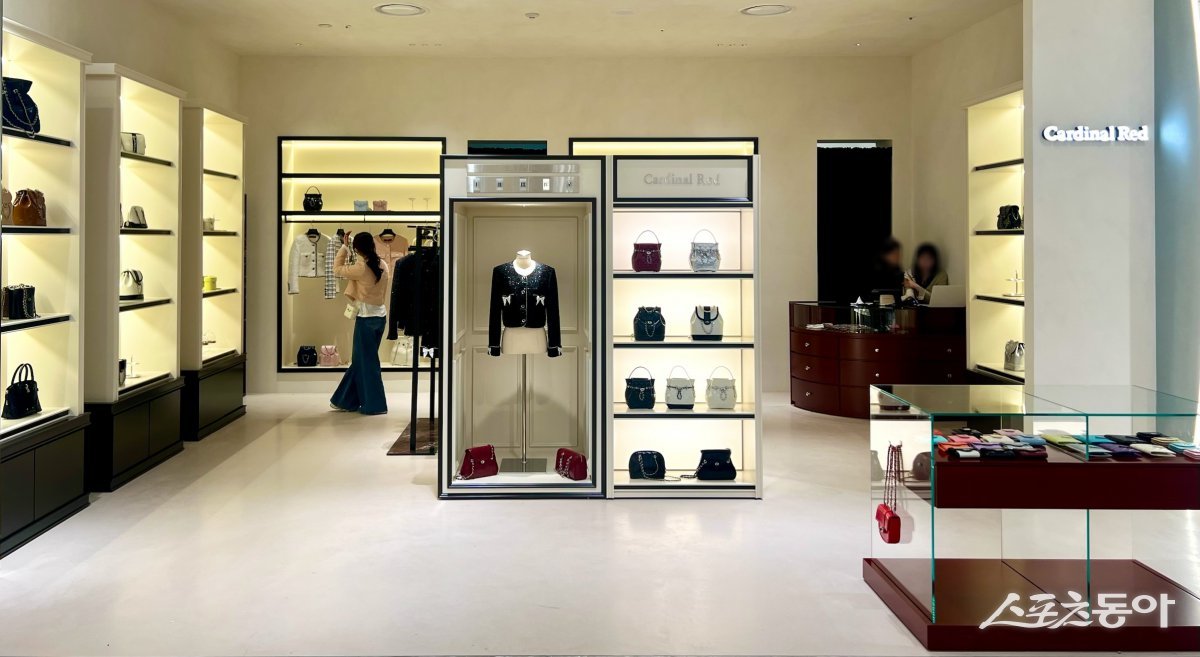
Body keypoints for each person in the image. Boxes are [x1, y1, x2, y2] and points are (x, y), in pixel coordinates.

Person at [330, 232, 390, 415]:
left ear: (357, 248)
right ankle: (344, 400)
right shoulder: (383, 264)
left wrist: (344, 247)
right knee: (361, 361)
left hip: (366, 319)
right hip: (380, 317)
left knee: (367, 363)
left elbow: (337, 269)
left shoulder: (360, 267)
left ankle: (375, 405)